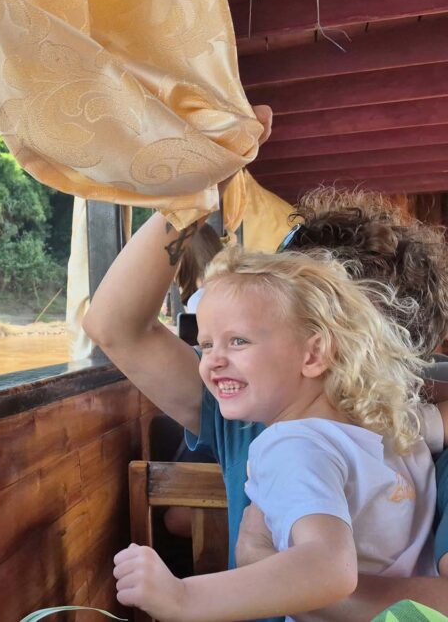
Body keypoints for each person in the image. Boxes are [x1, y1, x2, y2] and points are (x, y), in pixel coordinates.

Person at [83, 188, 448, 618]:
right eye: (210, 344)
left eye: (241, 338)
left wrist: (198, 592)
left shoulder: (292, 436)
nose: (214, 359)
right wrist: (189, 194)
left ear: (318, 349)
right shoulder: (389, 425)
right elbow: (115, 327)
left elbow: (331, 570)